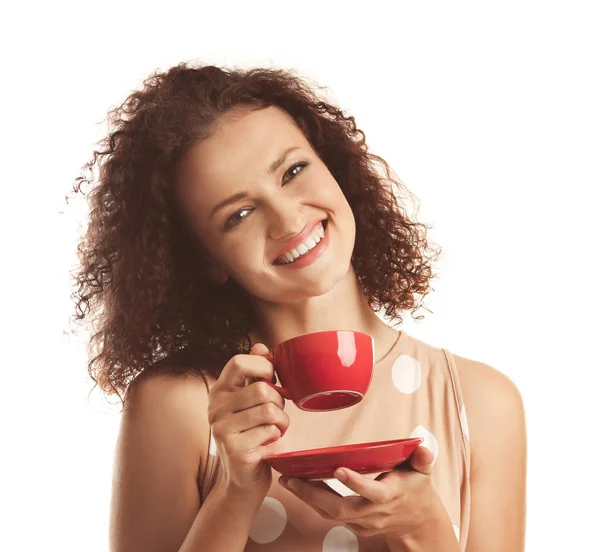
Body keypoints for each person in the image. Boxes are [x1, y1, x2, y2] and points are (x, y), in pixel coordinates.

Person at [70, 61, 526, 551]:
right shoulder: (179, 407)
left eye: (293, 171)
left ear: (331, 165)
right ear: (207, 259)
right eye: (239, 214)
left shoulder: (479, 403)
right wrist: (234, 492)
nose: (287, 218)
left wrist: (424, 528)